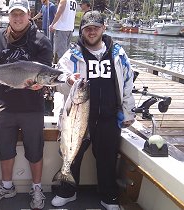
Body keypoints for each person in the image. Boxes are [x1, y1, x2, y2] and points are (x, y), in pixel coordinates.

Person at [51, 11, 135, 210]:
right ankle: (67, 191)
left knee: (107, 158)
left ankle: (108, 196)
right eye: (87, 28)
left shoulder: (118, 53)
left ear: (103, 28)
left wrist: (128, 112)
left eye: (96, 28)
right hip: (77, 116)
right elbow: (57, 78)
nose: (92, 32)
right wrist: (68, 80)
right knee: (71, 155)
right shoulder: (72, 53)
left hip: (107, 117)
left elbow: (127, 83)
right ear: (82, 31)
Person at [0, 0, 53, 209]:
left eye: (21, 15)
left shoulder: (41, 41)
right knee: (4, 147)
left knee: (35, 149)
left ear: (29, 16)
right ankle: (7, 186)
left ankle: (37, 188)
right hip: (3, 105)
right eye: (13, 15)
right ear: (9, 17)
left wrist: (40, 86)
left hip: (32, 107)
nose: (17, 19)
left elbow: (46, 73)